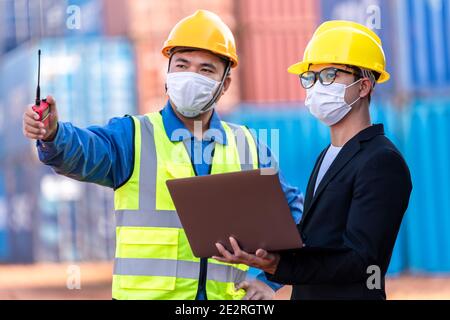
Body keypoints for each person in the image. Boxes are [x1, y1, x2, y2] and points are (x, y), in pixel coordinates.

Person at [22, 10, 304, 300]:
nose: (190, 76)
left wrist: (270, 281)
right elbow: (84, 152)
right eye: (182, 65)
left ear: (225, 85)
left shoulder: (248, 145)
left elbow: (293, 216)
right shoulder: (132, 135)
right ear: (168, 73)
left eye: (206, 70)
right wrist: (54, 133)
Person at [213, 20, 412, 300]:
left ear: (364, 86)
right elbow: (319, 238)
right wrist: (262, 247)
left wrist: (282, 266)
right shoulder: (328, 155)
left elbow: (363, 262)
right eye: (311, 77)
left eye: (329, 75)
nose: (317, 86)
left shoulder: (381, 161)